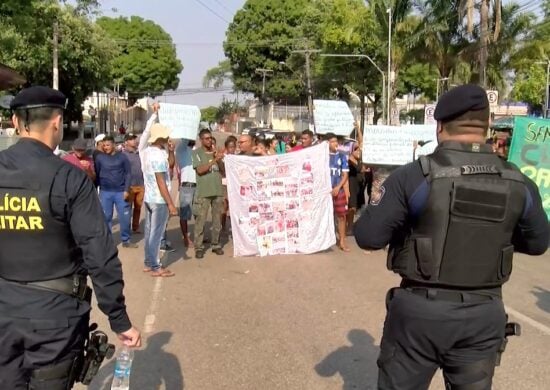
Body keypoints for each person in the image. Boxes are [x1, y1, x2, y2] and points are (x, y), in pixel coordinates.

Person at [353, 84, 549, 390]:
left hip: (420, 314)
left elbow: (367, 236)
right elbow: (538, 244)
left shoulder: (415, 175)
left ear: (440, 124)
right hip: (483, 313)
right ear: (486, 126)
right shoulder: (518, 181)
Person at [0, 86, 141, 389]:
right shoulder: (69, 178)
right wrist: (118, 318)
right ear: (57, 122)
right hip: (54, 320)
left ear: (15, 122)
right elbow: (99, 255)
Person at [140, 104, 177, 277]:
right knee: (156, 233)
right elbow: (161, 182)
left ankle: (148, 262)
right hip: (159, 199)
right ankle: (155, 266)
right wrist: (171, 204)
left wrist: (170, 151)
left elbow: (170, 164)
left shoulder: (146, 152)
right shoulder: (156, 156)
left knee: (149, 232)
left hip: (149, 197)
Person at [94, 135, 135, 248]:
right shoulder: (100, 158)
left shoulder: (122, 157)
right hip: (105, 192)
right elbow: (97, 173)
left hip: (121, 192)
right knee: (106, 217)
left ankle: (126, 240)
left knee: (125, 217)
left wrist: (126, 189)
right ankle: (108, 242)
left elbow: (128, 174)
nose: (105, 147)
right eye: (104, 145)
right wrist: (97, 189)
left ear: (113, 145)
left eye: (107, 145)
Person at [192, 128, 225, 259]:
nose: (209, 140)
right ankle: (198, 247)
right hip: (204, 191)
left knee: (217, 220)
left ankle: (215, 244)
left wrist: (219, 159)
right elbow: (200, 170)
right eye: (206, 138)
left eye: (210, 138)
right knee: (201, 220)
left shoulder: (215, 153)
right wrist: (213, 160)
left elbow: (223, 171)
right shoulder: (197, 153)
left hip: (217, 190)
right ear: (201, 140)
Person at [327, 133, 350, 252]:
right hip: (326, 191)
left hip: (338, 190)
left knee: (342, 216)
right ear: (326, 143)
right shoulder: (322, 156)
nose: (335, 143)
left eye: (336, 141)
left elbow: (345, 174)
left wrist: (339, 187)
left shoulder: (342, 156)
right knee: (326, 215)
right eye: (332, 141)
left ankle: (342, 241)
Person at [122, 133, 145, 234]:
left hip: (140, 184)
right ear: (126, 142)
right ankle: (126, 229)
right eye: (131, 139)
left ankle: (135, 227)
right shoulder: (123, 155)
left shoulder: (140, 153)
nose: (134, 141)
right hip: (129, 186)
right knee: (127, 208)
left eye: (135, 139)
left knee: (138, 207)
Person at [176, 139, 196, 248]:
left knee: (199, 213)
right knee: (184, 214)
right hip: (186, 186)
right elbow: (184, 140)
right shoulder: (181, 150)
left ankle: (198, 236)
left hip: (198, 185)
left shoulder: (196, 150)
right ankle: (186, 237)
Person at [221, 136, 237, 236]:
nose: (232, 149)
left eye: (233, 147)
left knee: (233, 207)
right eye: (230, 147)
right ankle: (223, 227)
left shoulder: (237, 158)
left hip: (234, 184)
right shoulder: (223, 158)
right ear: (226, 147)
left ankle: (234, 227)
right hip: (224, 184)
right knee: (224, 206)